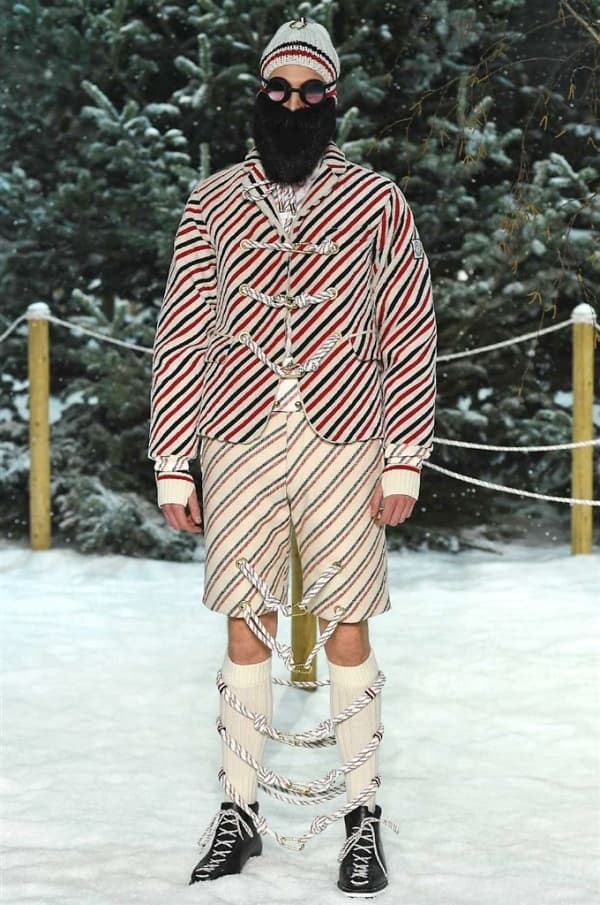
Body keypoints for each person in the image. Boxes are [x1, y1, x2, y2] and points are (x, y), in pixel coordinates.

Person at [149, 17, 436, 898]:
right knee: (244, 620)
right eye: (280, 88)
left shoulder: (379, 201)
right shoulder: (212, 202)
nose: (295, 102)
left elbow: (409, 327)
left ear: (333, 97)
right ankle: (237, 813)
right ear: (261, 94)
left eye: (312, 90)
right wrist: (172, 458)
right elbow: (183, 330)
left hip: (347, 437)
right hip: (235, 436)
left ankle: (363, 817)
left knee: (348, 620)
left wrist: (404, 455)